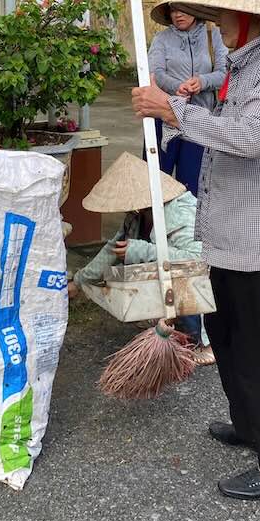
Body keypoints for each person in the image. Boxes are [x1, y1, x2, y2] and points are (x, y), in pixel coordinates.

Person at [131, 0, 260, 501]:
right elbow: (231, 128)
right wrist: (184, 113)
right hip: (237, 236)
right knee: (231, 338)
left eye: (224, 17)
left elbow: (251, 136)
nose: (219, 26)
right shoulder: (248, 65)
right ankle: (250, 425)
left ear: (251, 16)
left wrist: (173, 111)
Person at [68, 153, 214, 365]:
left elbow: (197, 260)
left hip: (206, 279)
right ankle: (173, 327)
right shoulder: (138, 215)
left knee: (182, 278)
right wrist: (79, 282)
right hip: (176, 275)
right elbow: (112, 249)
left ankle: (206, 343)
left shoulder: (180, 212)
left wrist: (140, 250)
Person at [148, 0, 228, 195]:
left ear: (196, 10)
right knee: (157, 179)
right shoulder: (161, 40)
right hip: (165, 115)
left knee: (192, 183)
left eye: (184, 9)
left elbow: (224, 73)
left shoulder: (214, 36)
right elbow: (156, 73)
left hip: (201, 119)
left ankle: (187, 227)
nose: (178, 14)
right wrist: (177, 87)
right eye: (173, 10)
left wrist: (202, 81)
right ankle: (152, 226)